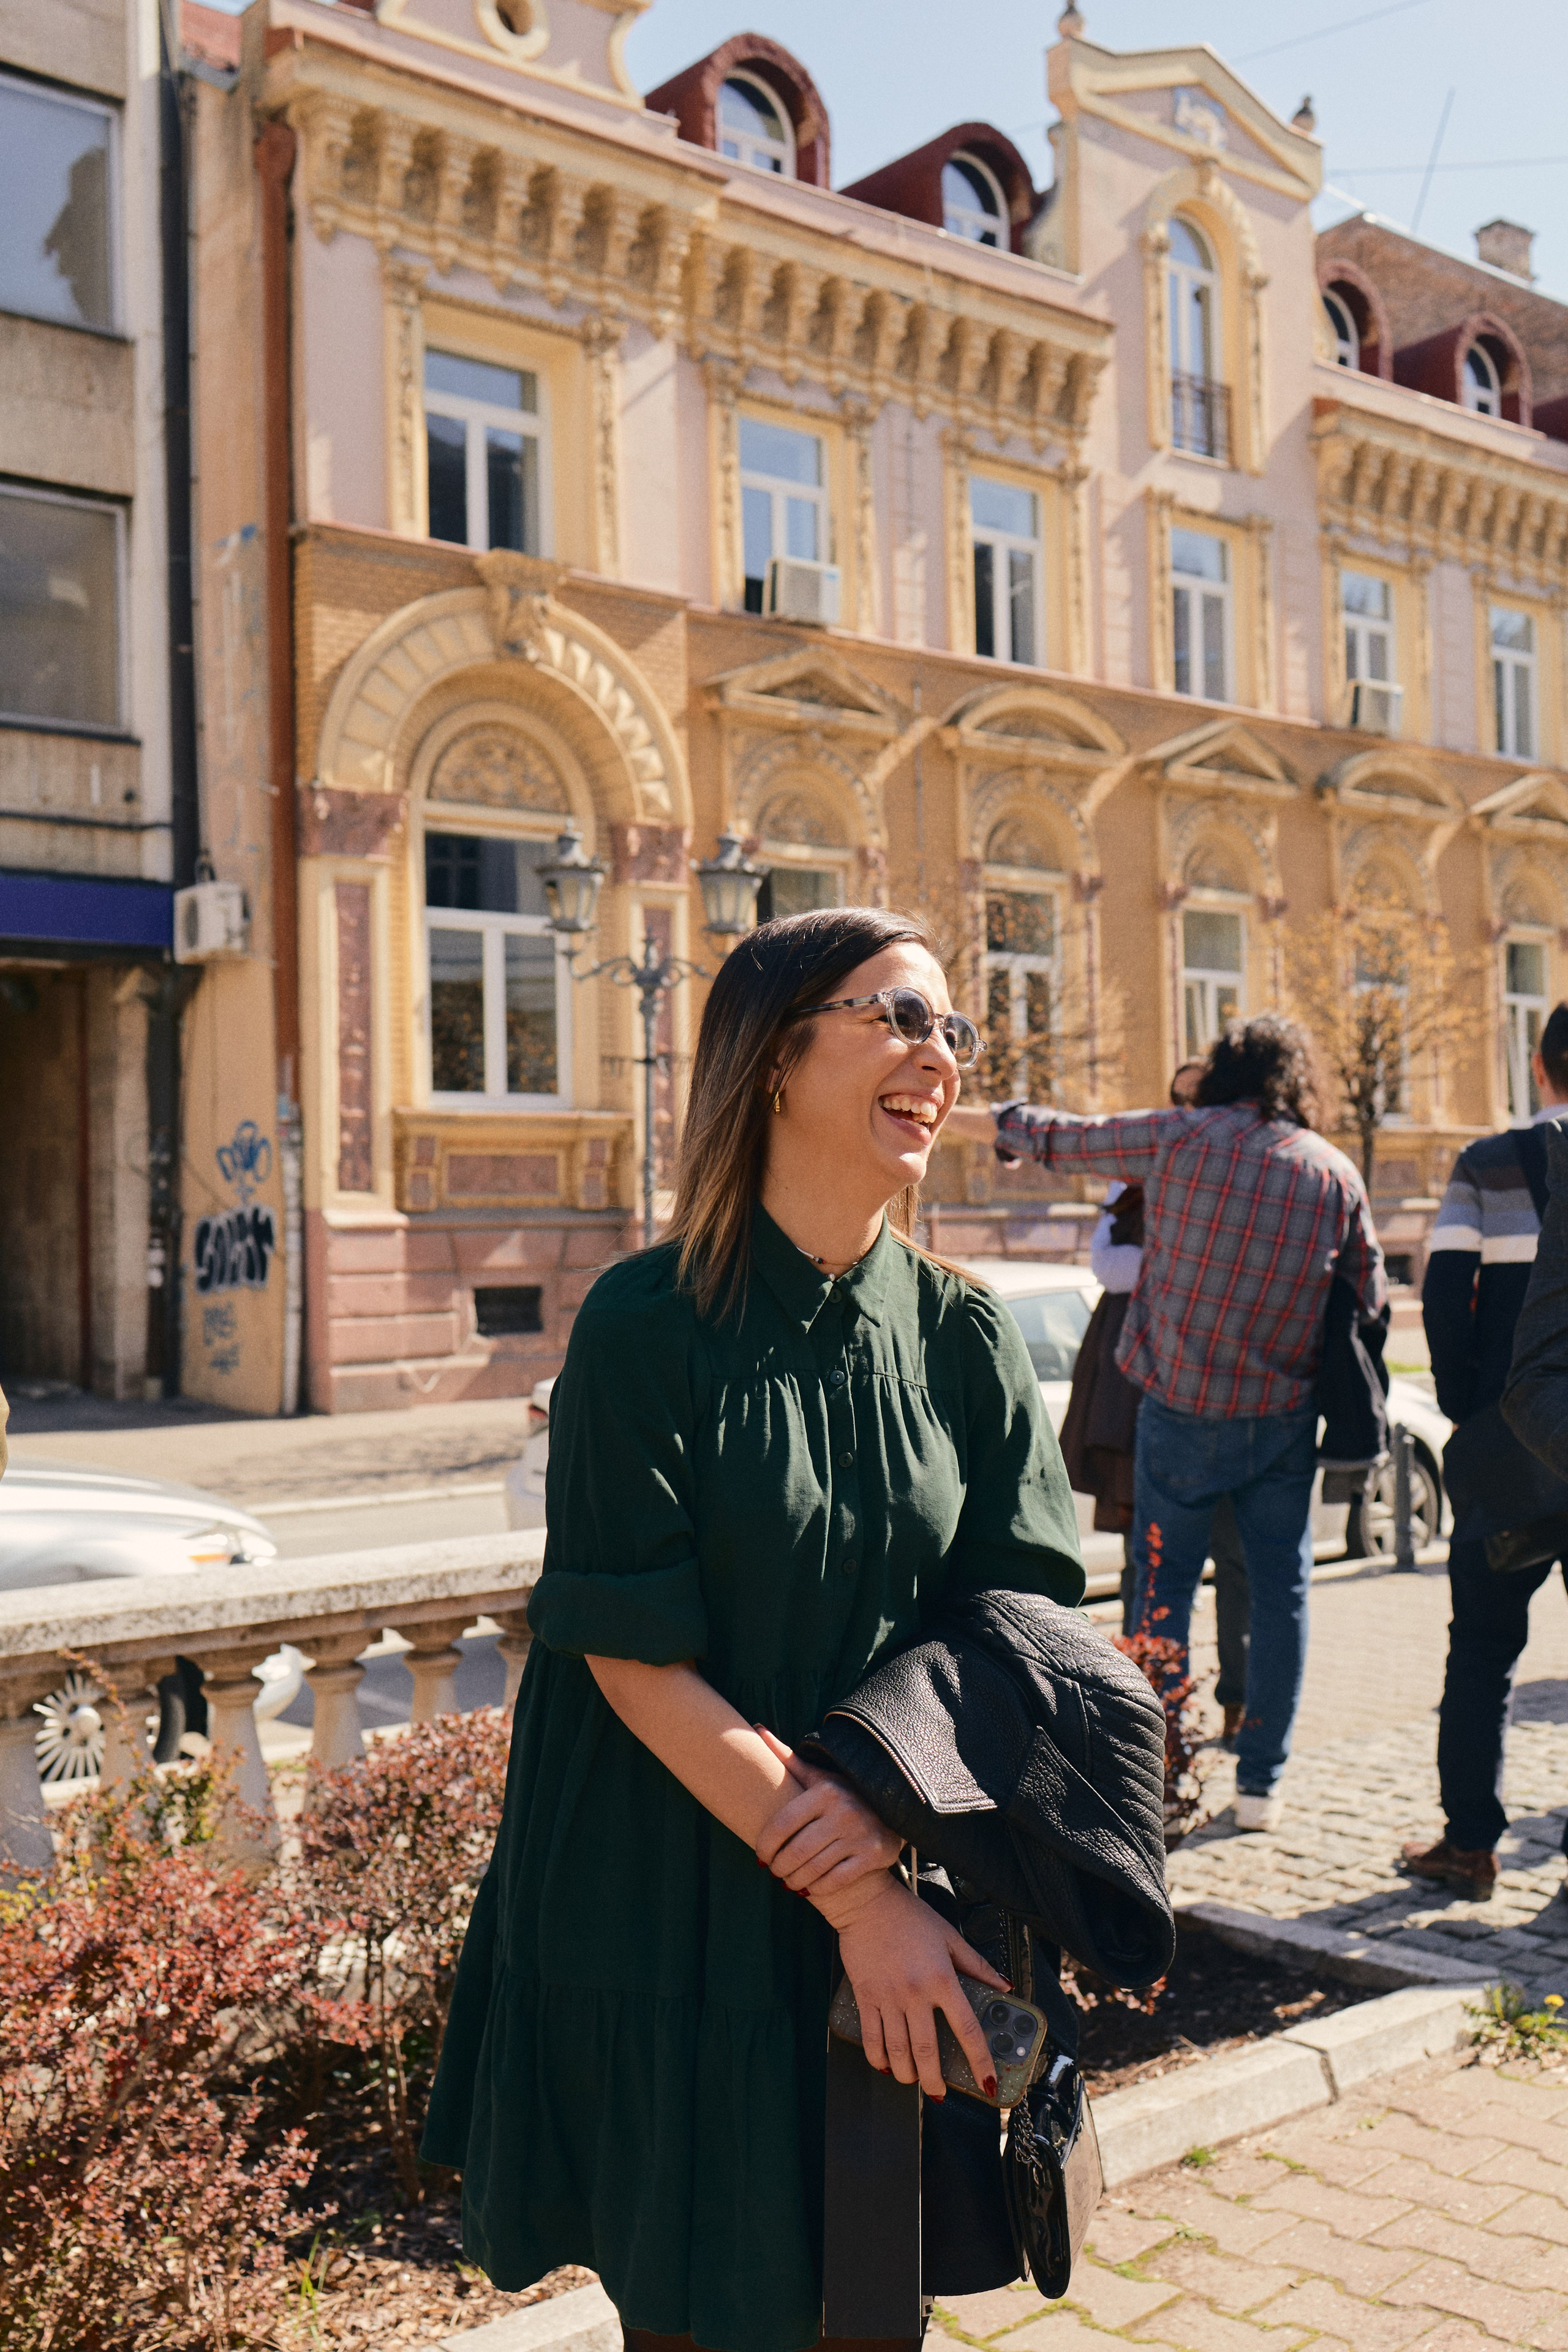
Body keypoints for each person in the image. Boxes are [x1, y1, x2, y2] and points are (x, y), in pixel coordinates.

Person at [423, 907, 1084, 2352]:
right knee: (698, 2311)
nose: (938, 1056)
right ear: (773, 1060)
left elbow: (1019, 1619)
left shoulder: (961, 1336)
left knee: (865, 2299)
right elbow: (629, 1649)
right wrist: (856, 1894)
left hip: (878, 1863)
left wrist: (883, 1824)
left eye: (952, 1030)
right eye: (895, 1017)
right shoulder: (641, 1324)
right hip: (663, 1885)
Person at [951, 1016, 1384, 1833]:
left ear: (1224, 1072)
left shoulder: (1180, 1139)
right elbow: (1368, 1303)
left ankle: (1152, 1770)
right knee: (1283, 1598)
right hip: (1282, 1423)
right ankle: (1262, 1784)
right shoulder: (1335, 1174)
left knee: (1162, 1594)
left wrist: (944, 1111)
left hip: (1180, 1415)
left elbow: (1058, 1137)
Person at [1401, 1007, 1568, 1902]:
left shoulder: (1489, 1164)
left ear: (1541, 1070)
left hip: (1513, 1450)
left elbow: (1444, 1293)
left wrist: (1472, 1414)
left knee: (1484, 1653)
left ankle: (1469, 1845)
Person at [1072, 1059, 1251, 1741]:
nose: (1184, 1114)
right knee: (1143, 1556)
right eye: (1174, 1101)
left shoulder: (1241, 1176)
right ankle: (1140, 1713)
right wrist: (1186, 1263)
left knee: (1234, 1562)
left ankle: (1239, 1705)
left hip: (1222, 1378)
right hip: (1133, 1381)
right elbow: (1107, 1267)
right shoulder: (1135, 1175)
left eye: (1196, 1101)